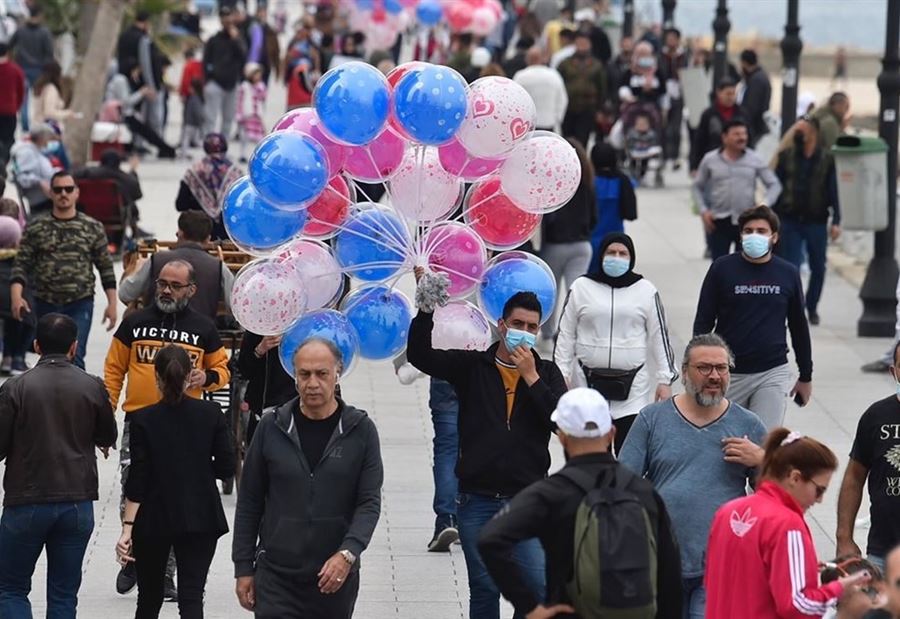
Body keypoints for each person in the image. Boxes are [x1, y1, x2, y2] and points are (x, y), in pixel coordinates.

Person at [407, 276, 567, 619]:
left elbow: (560, 421)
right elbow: (420, 356)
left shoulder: (548, 373)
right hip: (477, 499)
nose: (523, 331)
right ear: (501, 324)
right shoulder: (473, 367)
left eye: (531, 327)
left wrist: (532, 378)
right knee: (484, 588)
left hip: (528, 501)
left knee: (535, 588)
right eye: (517, 324)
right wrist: (424, 311)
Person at [478, 387, 683, 619]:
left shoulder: (550, 493)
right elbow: (670, 572)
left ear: (563, 437)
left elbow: (490, 539)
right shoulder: (644, 492)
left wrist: (529, 606)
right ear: (611, 433)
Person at [104, 259, 231, 598]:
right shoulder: (135, 323)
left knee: (174, 499)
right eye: (162, 283)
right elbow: (114, 370)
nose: (166, 290)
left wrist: (208, 377)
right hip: (139, 422)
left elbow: (222, 368)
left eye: (175, 285)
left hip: (184, 425)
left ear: (191, 290)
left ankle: (163, 575)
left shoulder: (203, 328)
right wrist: (104, 420)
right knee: (135, 490)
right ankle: (133, 554)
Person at [232, 337, 384, 618]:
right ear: (294, 376)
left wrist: (348, 553)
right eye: (304, 374)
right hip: (276, 576)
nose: (312, 383)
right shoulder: (271, 427)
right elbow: (250, 501)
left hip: (333, 577)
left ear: (337, 373)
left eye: (321, 374)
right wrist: (243, 567)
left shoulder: (360, 430)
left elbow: (369, 502)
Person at [619, 333, 767, 618]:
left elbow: (774, 494)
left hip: (720, 562)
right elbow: (623, 483)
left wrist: (762, 459)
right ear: (685, 371)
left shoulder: (748, 424)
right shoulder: (652, 418)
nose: (714, 376)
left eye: (721, 368)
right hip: (661, 560)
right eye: (704, 368)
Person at [0, 313, 117, 617]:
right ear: (74, 347)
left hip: (25, 500)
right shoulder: (92, 386)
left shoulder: (15, 387)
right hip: (77, 502)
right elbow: (108, 434)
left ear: (36, 345)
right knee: (64, 595)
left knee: (10, 589)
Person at [116, 345, 235, 618]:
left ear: (156, 378)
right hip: (201, 513)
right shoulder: (211, 413)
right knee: (192, 597)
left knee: (149, 598)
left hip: (154, 517)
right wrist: (198, 470)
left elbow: (138, 478)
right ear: (189, 376)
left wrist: (127, 528)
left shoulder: (142, 419)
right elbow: (227, 467)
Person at [705, 428, 871, 617]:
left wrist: (796, 566)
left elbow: (718, 579)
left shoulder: (726, 512)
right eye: (819, 490)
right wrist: (837, 590)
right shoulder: (787, 524)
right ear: (795, 478)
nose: (819, 500)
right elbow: (797, 605)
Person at [554, 232, 676, 453]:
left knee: (629, 460)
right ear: (601, 255)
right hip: (586, 385)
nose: (616, 257)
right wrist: (560, 373)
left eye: (622, 253)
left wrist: (665, 379)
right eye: (611, 252)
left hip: (633, 392)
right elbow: (565, 333)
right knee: (588, 458)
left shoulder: (646, 290)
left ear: (631, 258)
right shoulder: (581, 287)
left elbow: (660, 336)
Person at [694, 205, 812, 431]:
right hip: (728, 373)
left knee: (763, 444)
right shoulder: (722, 268)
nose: (754, 235)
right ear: (740, 235)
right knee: (722, 441)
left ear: (774, 237)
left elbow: (799, 326)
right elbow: (703, 321)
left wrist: (805, 375)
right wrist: (699, 366)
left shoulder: (787, 273)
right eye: (748, 231)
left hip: (771, 371)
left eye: (761, 230)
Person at [11, 171, 117, 370]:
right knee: (46, 359)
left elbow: (106, 269)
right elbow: (21, 265)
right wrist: (16, 296)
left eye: (68, 189)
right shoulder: (37, 228)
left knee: (75, 357)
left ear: (77, 193)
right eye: (58, 189)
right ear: (50, 193)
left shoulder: (92, 227)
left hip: (80, 302)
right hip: (44, 303)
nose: (63, 194)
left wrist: (112, 304)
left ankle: (76, 400)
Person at [836, 341, 900, 578]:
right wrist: (844, 538)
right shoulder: (876, 416)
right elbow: (854, 477)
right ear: (894, 371)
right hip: (882, 553)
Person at [773, 115, 841, 326]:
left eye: (803, 130)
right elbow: (776, 188)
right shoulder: (786, 156)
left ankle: (812, 307)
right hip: (790, 219)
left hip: (816, 221)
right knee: (791, 267)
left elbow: (833, 191)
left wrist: (837, 219)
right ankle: (794, 308)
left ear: (814, 132)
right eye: (797, 131)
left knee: (818, 267)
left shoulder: (828, 159)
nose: (799, 134)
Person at [692, 119, 782, 260]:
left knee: (745, 264)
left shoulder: (754, 159)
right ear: (724, 137)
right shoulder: (710, 159)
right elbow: (697, 186)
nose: (742, 138)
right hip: (719, 220)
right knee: (719, 265)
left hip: (746, 222)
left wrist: (765, 204)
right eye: (736, 134)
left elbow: (774, 184)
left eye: (744, 134)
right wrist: (703, 211)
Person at [119, 211, 234, 321]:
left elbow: (125, 294)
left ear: (180, 233)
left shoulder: (157, 259)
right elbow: (235, 306)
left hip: (155, 333)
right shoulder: (218, 267)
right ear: (208, 239)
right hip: (199, 337)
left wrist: (138, 268)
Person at [539, 138, 596, 342]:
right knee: (577, 293)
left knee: (550, 293)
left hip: (554, 246)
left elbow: (546, 220)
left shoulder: (552, 185)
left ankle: (547, 333)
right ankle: (575, 332)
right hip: (582, 245)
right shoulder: (587, 184)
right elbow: (594, 218)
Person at [175, 133, 243, 241]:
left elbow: (180, 205)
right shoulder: (235, 173)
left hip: (198, 234)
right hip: (228, 234)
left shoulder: (193, 172)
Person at [104, 61, 177, 159]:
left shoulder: (121, 79)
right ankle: (168, 150)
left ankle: (166, 150)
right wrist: (141, 93)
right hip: (122, 115)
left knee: (146, 131)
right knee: (146, 131)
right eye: (137, 71)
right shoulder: (120, 80)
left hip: (124, 114)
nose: (137, 74)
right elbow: (126, 101)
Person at [74, 149, 149, 238]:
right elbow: (137, 194)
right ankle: (135, 232)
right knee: (130, 205)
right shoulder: (122, 177)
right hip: (116, 215)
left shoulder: (87, 173)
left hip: (87, 213)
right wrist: (133, 171)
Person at [237, 332, 296, 445]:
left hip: (297, 403)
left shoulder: (302, 324)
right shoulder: (255, 328)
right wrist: (260, 350)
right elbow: (243, 370)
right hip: (262, 405)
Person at [588, 142, 637, 271]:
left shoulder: (590, 182)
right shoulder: (623, 181)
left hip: (591, 239)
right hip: (616, 240)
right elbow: (631, 212)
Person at [203, 7, 248, 136]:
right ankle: (209, 147)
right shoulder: (214, 39)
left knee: (228, 119)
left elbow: (244, 55)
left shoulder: (237, 38)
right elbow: (206, 61)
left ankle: (223, 147)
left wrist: (235, 38)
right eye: (224, 17)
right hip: (215, 83)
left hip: (232, 84)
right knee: (210, 118)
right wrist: (207, 80)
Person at [8, 6, 53, 132]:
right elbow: (49, 53)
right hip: (39, 69)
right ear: (39, 16)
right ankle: (39, 127)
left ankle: (26, 125)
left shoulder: (20, 30)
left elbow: (9, 45)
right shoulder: (45, 33)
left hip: (21, 68)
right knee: (40, 99)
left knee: (24, 98)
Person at [558, 32, 606, 148]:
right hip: (568, 107)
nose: (582, 46)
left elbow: (602, 88)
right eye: (579, 43)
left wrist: (600, 109)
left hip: (588, 108)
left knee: (582, 139)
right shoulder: (565, 64)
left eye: (585, 43)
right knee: (567, 139)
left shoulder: (596, 65)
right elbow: (559, 84)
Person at [689, 77, 745, 174]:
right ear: (719, 93)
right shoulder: (708, 114)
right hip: (713, 163)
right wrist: (694, 166)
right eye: (728, 93)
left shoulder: (741, 114)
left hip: (737, 163)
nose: (731, 97)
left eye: (733, 94)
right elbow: (699, 141)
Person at [0, 215, 30, 375]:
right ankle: (16, 358)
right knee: (22, 320)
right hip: (11, 304)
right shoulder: (19, 258)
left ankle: (8, 359)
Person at [512, 47, 568, 133]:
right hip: (549, 122)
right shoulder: (554, 75)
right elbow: (563, 100)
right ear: (543, 58)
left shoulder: (520, 76)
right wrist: (558, 118)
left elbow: (514, 101)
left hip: (527, 124)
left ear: (527, 59)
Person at [9, 123, 56, 215]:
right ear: (41, 138)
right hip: (41, 201)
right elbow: (21, 177)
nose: (49, 142)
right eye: (48, 139)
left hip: (47, 198)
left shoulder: (35, 150)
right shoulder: (27, 152)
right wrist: (40, 182)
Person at [659, 28, 688, 169]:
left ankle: (675, 156)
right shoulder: (661, 55)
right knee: (663, 126)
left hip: (679, 92)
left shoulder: (684, 56)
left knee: (676, 127)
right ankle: (664, 155)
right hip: (664, 92)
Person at [738, 49, 772, 148]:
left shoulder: (756, 80)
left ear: (744, 63)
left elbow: (751, 108)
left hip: (754, 128)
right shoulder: (760, 76)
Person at [0, 43, 25, 174]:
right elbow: (21, 91)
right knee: (8, 139)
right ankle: (3, 160)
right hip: (9, 111)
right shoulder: (15, 70)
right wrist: (17, 106)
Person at [236, 62, 267, 162]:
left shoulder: (260, 86)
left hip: (257, 115)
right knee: (245, 135)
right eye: (255, 74)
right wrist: (239, 114)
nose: (258, 77)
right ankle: (243, 154)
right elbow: (240, 101)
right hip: (247, 115)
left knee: (258, 135)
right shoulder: (244, 87)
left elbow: (263, 97)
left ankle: (257, 154)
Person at [29, 61, 74, 127]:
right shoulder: (51, 89)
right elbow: (49, 112)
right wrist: (68, 113)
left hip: (37, 125)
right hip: (48, 129)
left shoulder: (40, 87)